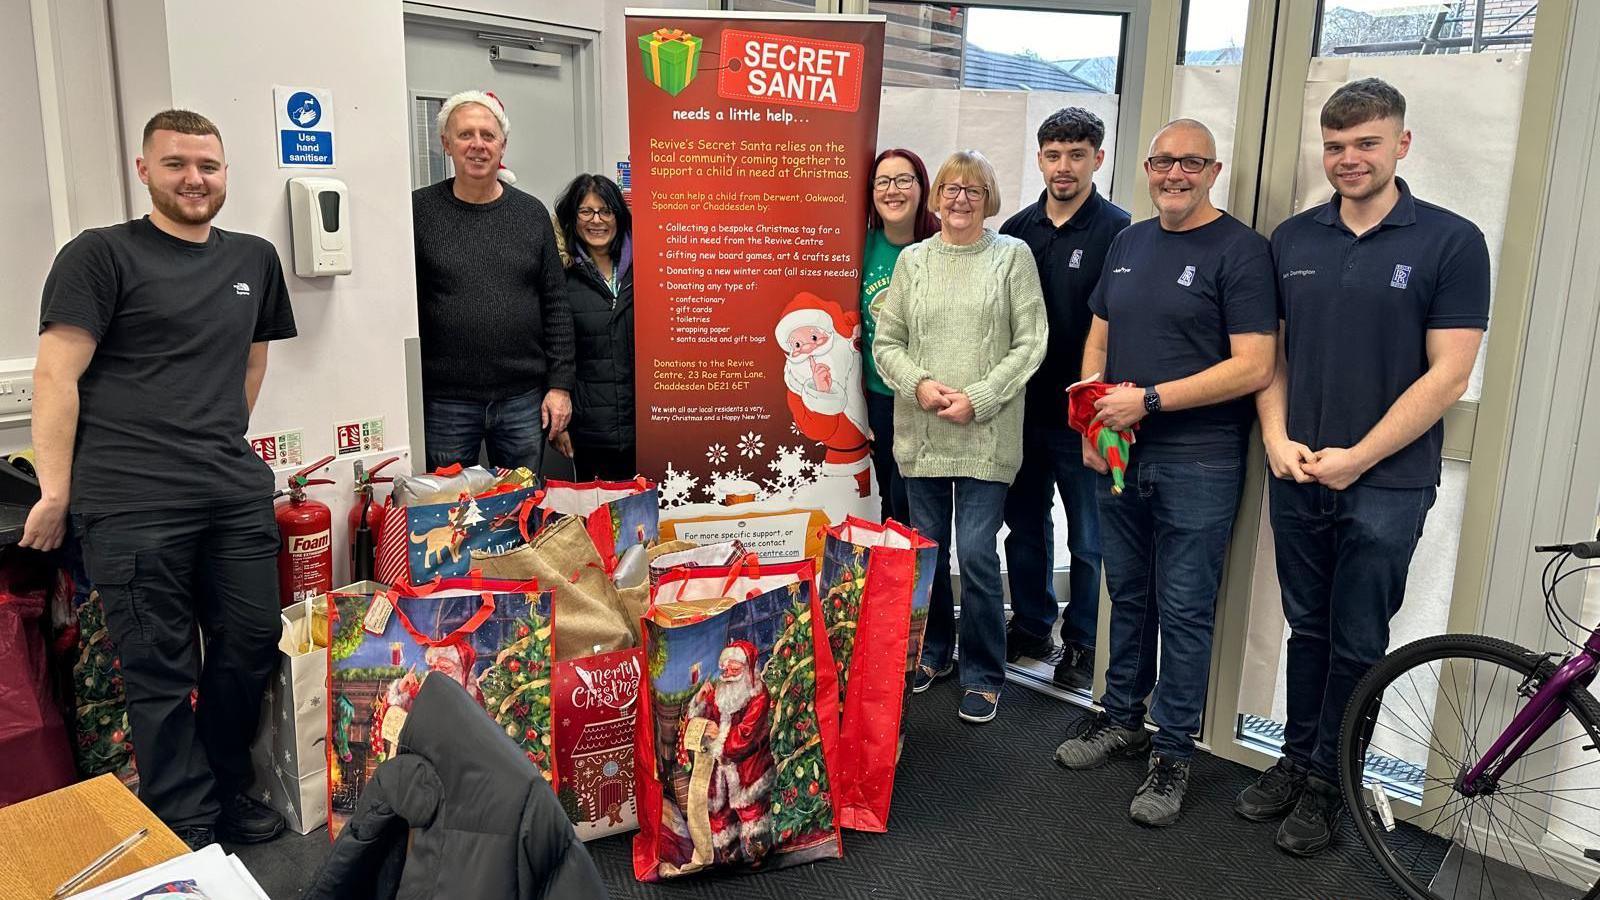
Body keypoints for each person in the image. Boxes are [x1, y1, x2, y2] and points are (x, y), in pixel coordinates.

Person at [23, 109, 297, 848]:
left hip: (231, 489)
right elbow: (57, 372)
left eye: (208, 165)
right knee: (160, 670)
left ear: (225, 172)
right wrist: (55, 491)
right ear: (143, 170)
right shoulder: (100, 255)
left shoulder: (254, 258)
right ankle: (190, 819)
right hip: (132, 500)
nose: (194, 179)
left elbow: (251, 359)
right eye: (176, 164)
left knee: (248, 639)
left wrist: (216, 438)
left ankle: (224, 783)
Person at [1236, 78, 1488, 856]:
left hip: (1386, 482)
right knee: (1307, 629)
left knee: (1356, 639)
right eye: (1337, 145)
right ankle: (1295, 759)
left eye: (1367, 144)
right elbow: (1269, 356)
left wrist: (1360, 458)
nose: (1349, 159)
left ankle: (1327, 786)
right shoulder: (1293, 238)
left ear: (1401, 146)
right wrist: (1276, 439)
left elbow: (1448, 375)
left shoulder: (1450, 240)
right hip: (1299, 469)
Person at [1052, 119, 1276, 826]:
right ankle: (1122, 719)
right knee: (1130, 594)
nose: (1174, 174)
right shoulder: (1129, 242)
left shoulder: (1242, 252)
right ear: (1146, 168)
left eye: (1190, 163)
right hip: (1122, 453)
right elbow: (1100, 334)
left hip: (1199, 458)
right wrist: (1094, 417)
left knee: (1183, 609)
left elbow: (1254, 365)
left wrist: (1148, 400)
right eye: (1162, 162)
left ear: (1213, 170)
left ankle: (1173, 752)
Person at [873, 150, 1047, 725]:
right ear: (936, 196)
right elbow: (886, 343)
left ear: (988, 197)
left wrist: (981, 397)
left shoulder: (1012, 257)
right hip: (921, 433)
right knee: (929, 553)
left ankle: (983, 672)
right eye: (950, 188)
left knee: (975, 553)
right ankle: (936, 653)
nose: (960, 199)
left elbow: (1031, 342)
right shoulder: (914, 262)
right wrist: (919, 385)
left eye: (974, 189)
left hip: (986, 435)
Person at [998, 107, 1131, 691]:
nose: (1064, 167)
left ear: (1098, 158)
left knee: (1090, 537)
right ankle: (1030, 623)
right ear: (1040, 160)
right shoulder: (1016, 231)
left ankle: (1083, 642)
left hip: (1084, 417)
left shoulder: (1121, 233)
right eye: (1053, 155)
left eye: (1077, 155)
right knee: (1023, 527)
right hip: (1018, 412)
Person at [413, 90, 574, 473]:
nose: (477, 145)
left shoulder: (531, 213)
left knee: (521, 509)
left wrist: (560, 386)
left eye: (488, 135)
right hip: (445, 402)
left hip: (522, 398)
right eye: (466, 135)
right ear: (446, 143)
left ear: (503, 145)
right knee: (449, 515)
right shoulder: (418, 212)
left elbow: (556, 305)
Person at [861, 148, 940, 524]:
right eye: (883, 181)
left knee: (926, 507)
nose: (893, 190)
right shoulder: (860, 247)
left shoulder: (944, 243)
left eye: (904, 180)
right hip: (880, 397)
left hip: (931, 396)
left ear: (922, 187)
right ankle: (898, 579)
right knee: (892, 502)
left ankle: (931, 581)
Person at [553, 174, 636, 481]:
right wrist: (560, 426)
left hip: (645, 427)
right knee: (598, 521)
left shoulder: (648, 268)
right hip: (589, 430)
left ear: (619, 215)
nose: (596, 220)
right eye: (586, 211)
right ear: (572, 218)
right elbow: (552, 350)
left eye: (605, 211)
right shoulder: (560, 275)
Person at [677, 642, 775, 865]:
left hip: (748, 768)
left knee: (752, 811)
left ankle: (759, 852)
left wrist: (717, 734)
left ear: (748, 669)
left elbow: (744, 737)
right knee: (720, 815)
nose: (729, 675)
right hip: (720, 769)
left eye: (735, 670)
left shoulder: (758, 696)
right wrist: (700, 701)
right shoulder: (720, 691)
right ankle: (728, 853)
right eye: (725, 670)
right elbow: (697, 721)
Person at [774, 292, 873, 498]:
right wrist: (822, 394)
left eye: (813, 337)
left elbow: (853, 318)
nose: (809, 348)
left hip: (877, 451)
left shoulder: (847, 346)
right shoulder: (797, 386)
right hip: (838, 464)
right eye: (797, 345)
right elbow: (818, 431)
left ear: (829, 333)